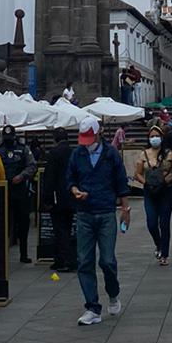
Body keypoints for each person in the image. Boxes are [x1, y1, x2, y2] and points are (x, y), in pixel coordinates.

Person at [66, 116, 130, 324]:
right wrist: (75, 190)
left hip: (105, 212)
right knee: (84, 261)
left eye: (90, 138)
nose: (87, 143)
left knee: (107, 260)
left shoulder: (111, 154)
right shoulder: (77, 154)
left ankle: (113, 292)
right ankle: (92, 307)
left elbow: (121, 181)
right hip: (84, 213)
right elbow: (70, 179)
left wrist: (125, 208)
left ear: (98, 134)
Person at [133, 121, 172, 266]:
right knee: (151, 222)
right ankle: (158, 243)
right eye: (152, 136)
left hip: (165, 191)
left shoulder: (168, 154)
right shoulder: (143, 154)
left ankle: (165, 253)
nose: (155, 138)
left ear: (162, 138)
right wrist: (145, 183)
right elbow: (137, 173)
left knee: (164, 223)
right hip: (149, 191)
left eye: (157, 136)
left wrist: (165, 181)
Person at [0, 123, 36, 263]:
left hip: (20, 191)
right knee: (3, 223)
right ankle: (2, 252)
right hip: (4, 190)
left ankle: (23, 253)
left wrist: (22, 176)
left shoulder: (23, 149)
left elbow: (32, 165)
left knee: (23, 223)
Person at [41, 127, 77, 271]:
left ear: (55, 139)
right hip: (72, 195)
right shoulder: (74, 152)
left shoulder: (54, 153)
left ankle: (65, 259)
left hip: (58, 197)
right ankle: (62, 258)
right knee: (68, 227)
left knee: (59, 229)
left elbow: (49, 178)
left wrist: (46, 199)